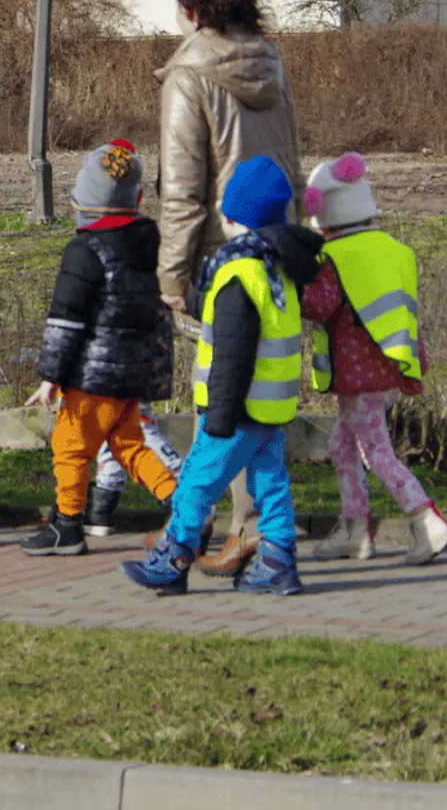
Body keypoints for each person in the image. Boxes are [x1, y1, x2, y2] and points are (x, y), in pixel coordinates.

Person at [140, 0, 303, 576]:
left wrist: (172, 276)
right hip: (277, 245)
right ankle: (258, 536)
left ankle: (199, 537)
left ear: (191, 9)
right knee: (262, 398)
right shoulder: (271, 63)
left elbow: (183, 188)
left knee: (223, 403)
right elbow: (290, 156)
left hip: (221, 257)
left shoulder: (189, 76)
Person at [123, 156, 321, 597]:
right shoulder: (277, 269)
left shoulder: (235, 274)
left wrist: (219, 417)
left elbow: (232, 351)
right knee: (270, 482)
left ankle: (173, 558)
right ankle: (278, 560)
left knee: (196, 482)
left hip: (235, 408)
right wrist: (190, 304)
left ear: (231, 219)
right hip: (271, 407)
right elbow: (238, 319)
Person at [20, 141, 179, 556]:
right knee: (130, 447)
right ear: (137, 198)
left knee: (70, 448)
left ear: (82, 201)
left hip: (93, 376)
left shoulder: (84, 251)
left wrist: (51, 374)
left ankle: (67, 525)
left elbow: (66, 318)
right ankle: (182, 506)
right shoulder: (150, 245)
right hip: (134, 373)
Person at [300, 153, 447, 565]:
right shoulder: (391, 249)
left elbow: (319, 306)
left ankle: (427, 520)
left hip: (357, 374)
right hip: (392, 365)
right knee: (343, 444)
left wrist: (291, 280)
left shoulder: (335, 258)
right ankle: (355, 529)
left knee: (375, 451)